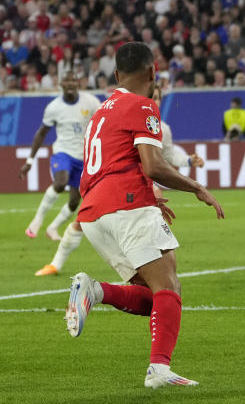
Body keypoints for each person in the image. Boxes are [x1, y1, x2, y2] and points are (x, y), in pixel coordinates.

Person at [64, 41, 224, 388]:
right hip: (125, 205)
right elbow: (152, 165)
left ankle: (96, 291)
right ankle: (159, 370)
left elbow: (113, 163)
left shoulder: (101, 112)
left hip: (94, 214)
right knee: (169, 287)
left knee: (154, 297)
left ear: (117, 74)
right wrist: (196, 187)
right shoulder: (144, 105)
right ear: (153, 72)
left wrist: (147, 194)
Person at [36, 86, 206, 277]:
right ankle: (55, 264)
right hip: (114, 180)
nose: (155, 101)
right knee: (80, 222)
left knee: (148, 207)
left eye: (158, 98)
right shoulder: (122, 115)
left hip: (138, 182)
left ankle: (146, 259)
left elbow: (168, 155)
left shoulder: (161, 127)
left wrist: (189, 161)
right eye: (152, 96)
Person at [20, 72, 101, 240]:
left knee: (74, 202)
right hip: (62, 152)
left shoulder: (91, 102)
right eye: (67, 80)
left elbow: (103, 124)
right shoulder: (54, 107)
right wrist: (29, 161)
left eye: (73, 80)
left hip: (83, 157)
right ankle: (37, 220)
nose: (70, 83)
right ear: (61, 84)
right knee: (60, 182)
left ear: (78, 83)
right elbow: (41, 133)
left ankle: (53, 228)